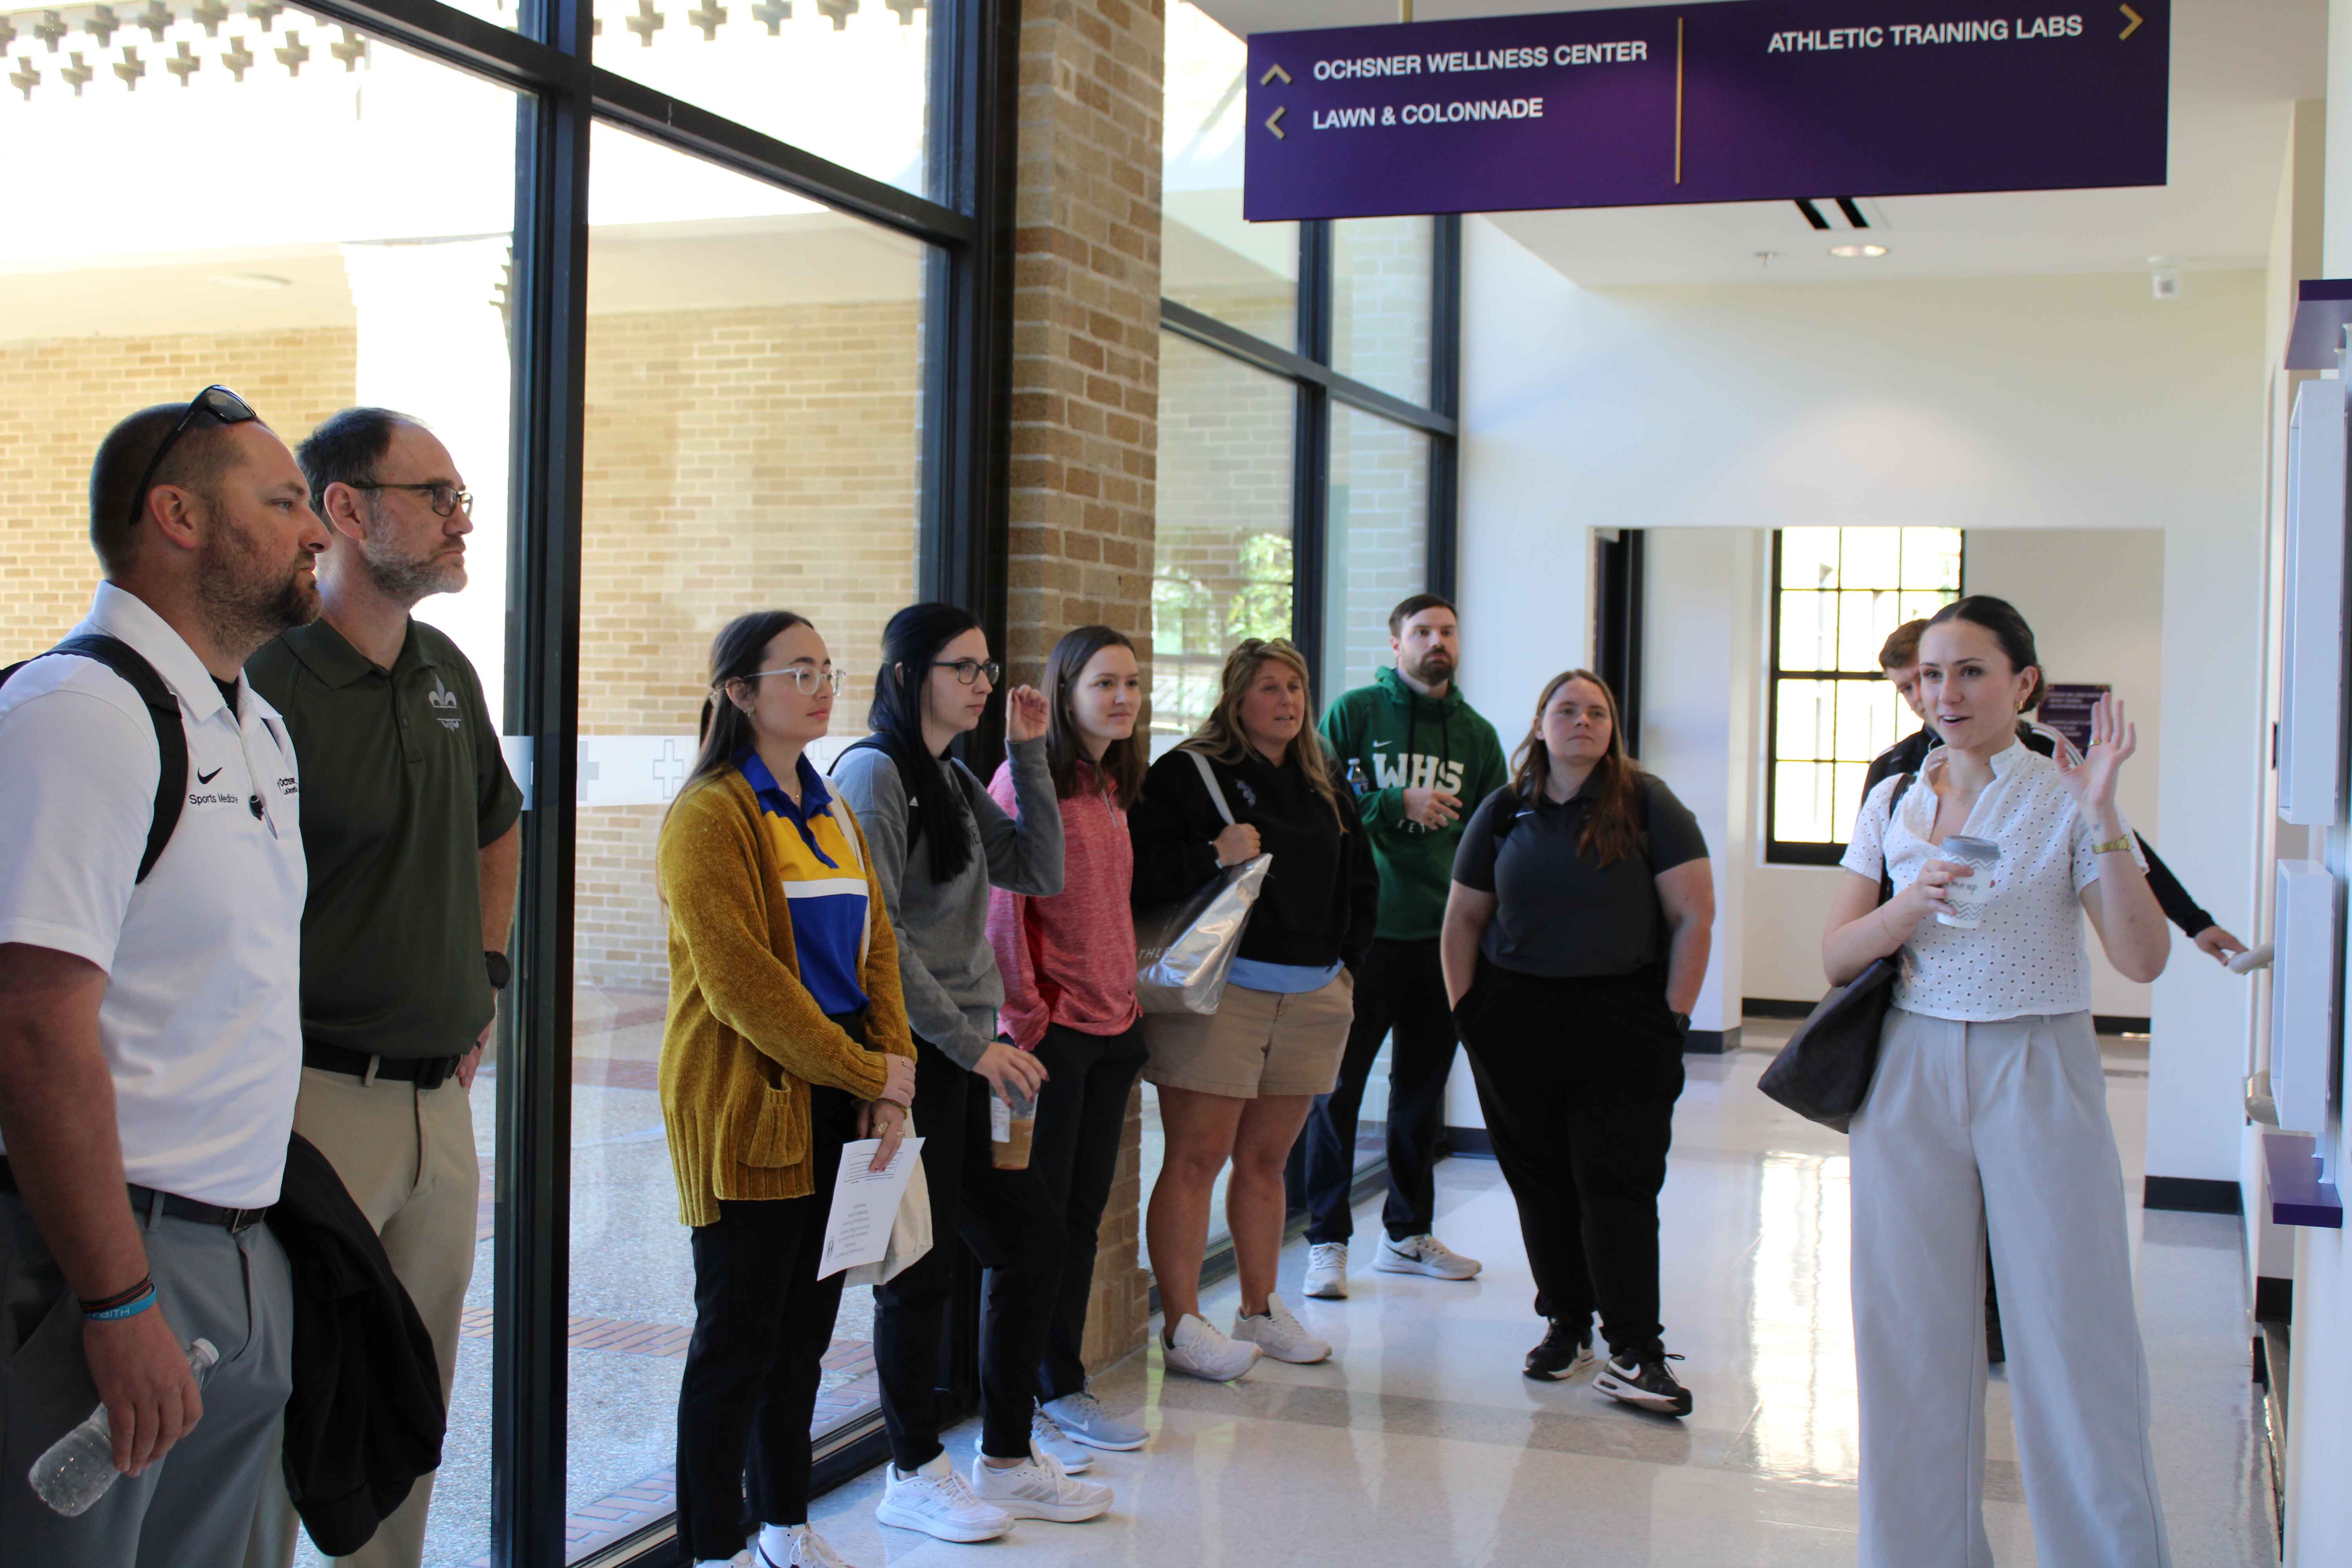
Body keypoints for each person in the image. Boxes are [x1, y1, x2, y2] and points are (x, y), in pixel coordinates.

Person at [0, 390, 327, 1565]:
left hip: (242, 1256)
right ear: (178, 515)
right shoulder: (79, 711)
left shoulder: (259, 726)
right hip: (109, 1262)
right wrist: (117, 1297)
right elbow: (33, 1030)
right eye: (284, 501)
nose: (316, 530)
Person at [1824, 596, 2171, 1567]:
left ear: (2023, 685)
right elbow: (1836, 954)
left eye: (1971, 671)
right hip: (1909, 1070)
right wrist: (1909, 905)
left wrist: (2104, 816)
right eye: (1933, 675)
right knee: (1907, 1337)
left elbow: (2142, 960)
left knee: (2072, 1331)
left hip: (2036, 1061)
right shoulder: (1893, 798)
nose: (1947, 693)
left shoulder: (2065, 794)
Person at [241, 409, 521, 1568]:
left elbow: (497, 826)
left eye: (461, 495)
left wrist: (486, 978)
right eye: (438, 495)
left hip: (436, 1108)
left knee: (410, 1404)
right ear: (348, 511)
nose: (465, 519)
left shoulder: (444, 670)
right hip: (305, 1107)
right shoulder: (267, 680)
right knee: (279, 1404)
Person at [833, 603, 1111, 1543]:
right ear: (909, 674)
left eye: (989, 667)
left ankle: (1004, 1453)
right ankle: (910, 1468)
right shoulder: (873, 773)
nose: (985, 683)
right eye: (964, 668)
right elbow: (881, 933)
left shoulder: (949, 774)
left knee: (1026, 1242)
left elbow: (1037, 869)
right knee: (917, 1269)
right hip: (916, 1059)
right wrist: (968, 1044)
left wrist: (1029, 752)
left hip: (964, 1050)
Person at [654, 610, 918, 1568]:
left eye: (825, 668)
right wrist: (866, 1070)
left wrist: (892, 1079)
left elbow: (878, 948)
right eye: (796, 669)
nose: (820, 685)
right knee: (735, 1342)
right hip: (749, 1098)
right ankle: (714, 1548)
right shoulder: (711, 813)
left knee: (804, 1336)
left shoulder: (829, 802)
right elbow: (742, 987)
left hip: (842, 1091)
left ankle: (781, 1527)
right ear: (738, 692)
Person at [1440, 670, 1713, 1414]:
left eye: (1597, 712)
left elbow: (1694, 918)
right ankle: (1566, 1324)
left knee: (1617, 1184)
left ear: (1612, 727)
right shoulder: (1504, 811)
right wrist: (1468, 1013)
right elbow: (1463, 921)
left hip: (1624, 1019)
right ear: (1539, 725)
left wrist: (1674, 1019)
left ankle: (1636, 1347)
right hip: (1516, 1021)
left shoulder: (1650, 803)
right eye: (1567, 710)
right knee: (1541, 1181)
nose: (1582, 722)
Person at [1127, 638, 1379, 1380]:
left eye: (1296, 687)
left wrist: (1347, 969)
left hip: (1313, 993)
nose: (1287, 701)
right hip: (1221, 995)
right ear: (1237, 699)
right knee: (1197, 1158)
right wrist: (1215, 853)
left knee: (1268, 1162)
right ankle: (1182, 1327)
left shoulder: (1322, 777)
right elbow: (1138, 879)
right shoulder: (1190, 774)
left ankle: (1260, 1310)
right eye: (1269, 688)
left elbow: (1361, 880)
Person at [1304, 593, 1505, 1300]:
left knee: (1420, 1094)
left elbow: (1494, 837)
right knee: (1337, 1091)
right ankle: (1326, 1241)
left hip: (1441, 941)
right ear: (1396, 644)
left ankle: (1406, 1234)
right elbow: (1316, 802)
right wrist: (1396, 805)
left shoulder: (1477, 735)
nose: (1436, 642)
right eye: (1422, 632)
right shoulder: (1354, 714)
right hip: (1362, 938)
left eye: (1448, 630)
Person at [984, 626, 1152, 1463]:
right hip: (1053, 1043)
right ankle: (1035, 1393)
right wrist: (1028, 1021)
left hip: (1114, 1031)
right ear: (1065, 689)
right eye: (1103, 683)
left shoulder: (1111, 786)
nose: (1122, 697)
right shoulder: (1026, 784)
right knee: (1038, 1230)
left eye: (1130, 682)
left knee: (1082, 1219)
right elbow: (1001, 916)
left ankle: (1062, 1381)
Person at [1867, 617, 2245, 963]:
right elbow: (1873, 872)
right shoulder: (1893, 770)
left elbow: (2114, 840)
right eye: (1908, 687)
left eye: (1928, 676)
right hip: (1916, 972)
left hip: (2025, 974)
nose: (1924, 696)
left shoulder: (2044, 749)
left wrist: (2194, 921)